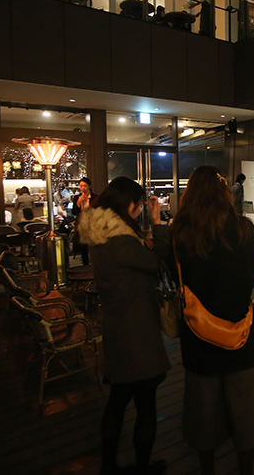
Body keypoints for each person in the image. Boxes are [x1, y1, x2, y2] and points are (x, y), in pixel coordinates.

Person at [167, 166, 254, 475]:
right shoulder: (244, 230)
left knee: (203, 413)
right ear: (225, 193)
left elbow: (174, 277)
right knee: (247, 410)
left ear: (190, 194)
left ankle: (207, 469)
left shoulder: (180, 234)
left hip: (198, 337)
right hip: (243, 333)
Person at [78, 177, 170, 475]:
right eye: (139, 204)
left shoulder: (102, 234)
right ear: (129, 204)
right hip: (137, 330)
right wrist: (158, 223)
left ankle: (109, 467)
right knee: (145, 404)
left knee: (117, 402)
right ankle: (142, 468)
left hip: (117, 326)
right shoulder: (120, 241)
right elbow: (158, 263)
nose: (140, 209)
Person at [72, 177, 93, 265]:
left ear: (89, 186)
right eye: (81, 186)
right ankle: (85, 264)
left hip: (92, 224)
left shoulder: (94, 197)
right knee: (83, 245)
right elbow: (74, 212)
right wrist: (78, 202)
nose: (83, 188)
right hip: (82, 224)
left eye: (85, 186)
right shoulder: (77, 197)